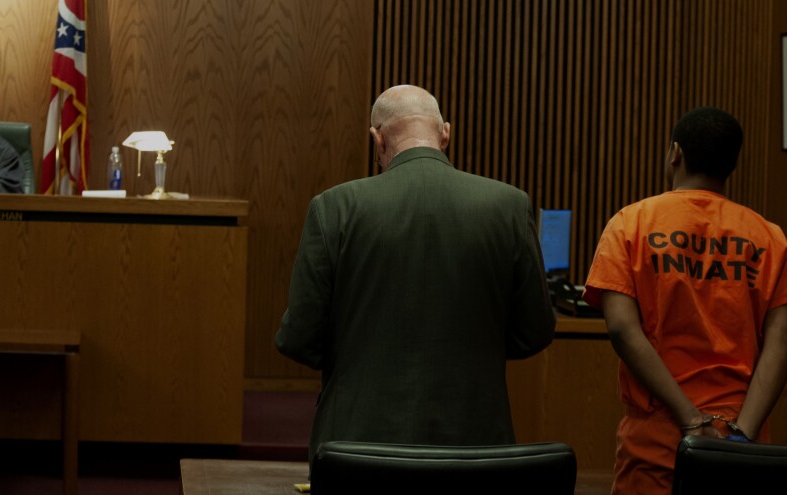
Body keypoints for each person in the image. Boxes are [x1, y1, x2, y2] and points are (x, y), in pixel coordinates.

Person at [275, 84, 556, 466]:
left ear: (377, 139)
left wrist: (359, 352)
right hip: (475, 450)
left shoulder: (334, 208)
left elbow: (299, 336)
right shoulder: (508, 206)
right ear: (445, 134)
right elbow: (535, 330)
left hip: (357, 449)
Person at [582, 107, 787, 495]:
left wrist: (690, 421)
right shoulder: (770, 238)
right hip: (741, 440)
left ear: (675, 153)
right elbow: (781, 342)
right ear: (731, 165)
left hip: (658, 438)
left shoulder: (631, 223)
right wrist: (742, 433)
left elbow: (622, 329)